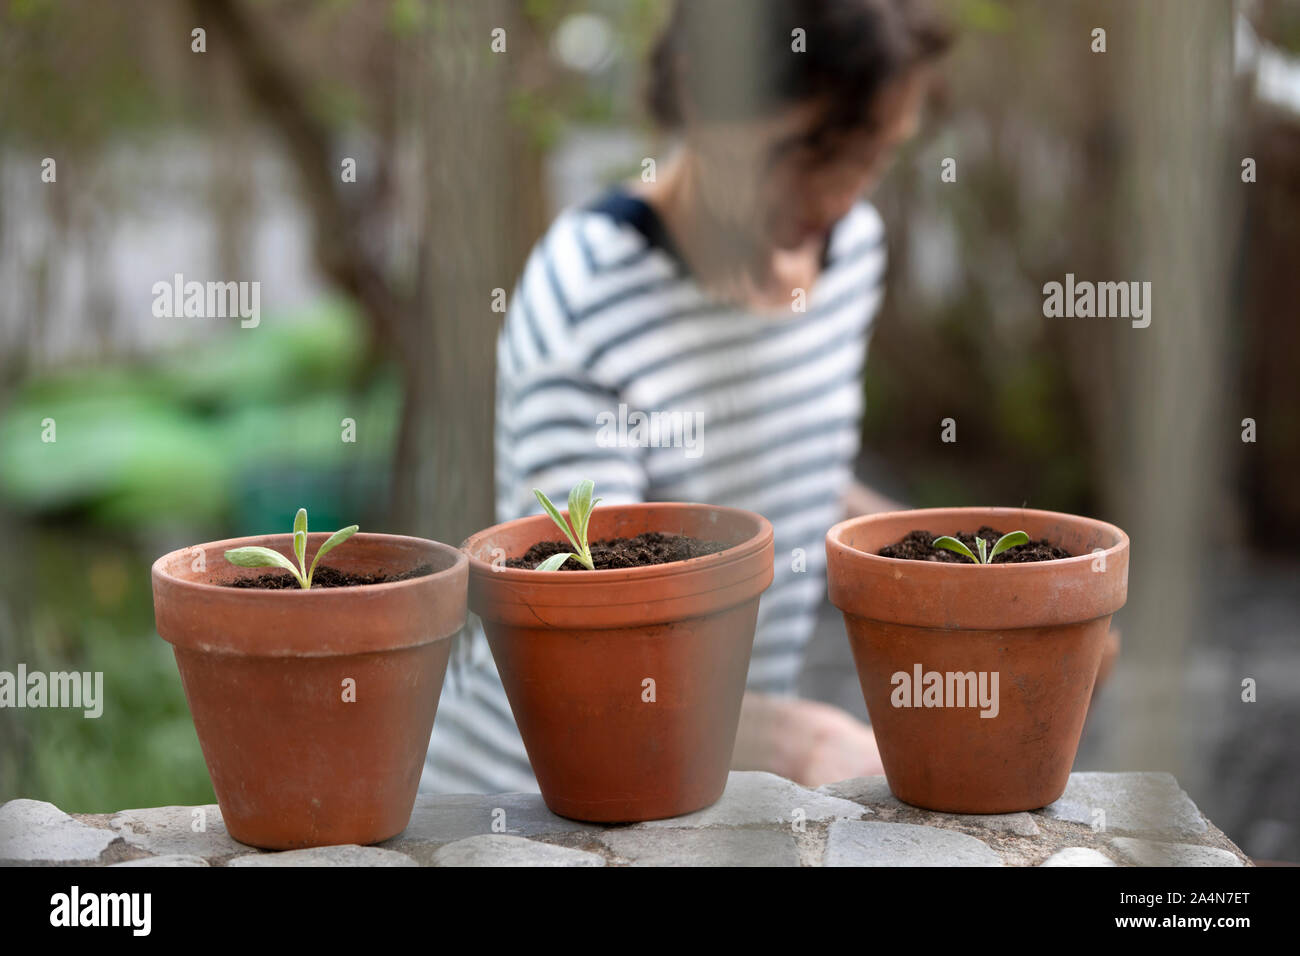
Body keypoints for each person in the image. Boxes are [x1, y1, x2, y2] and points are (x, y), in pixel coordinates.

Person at [423, 0, 952, 793]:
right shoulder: (591, 300)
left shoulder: (848, 255)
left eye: (874, 155)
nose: (841, 193)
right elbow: (589, 653)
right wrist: (803, 744)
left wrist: (959, 590)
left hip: (694, 780)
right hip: (536, 793)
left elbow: (791, 470)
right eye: (810, 149)